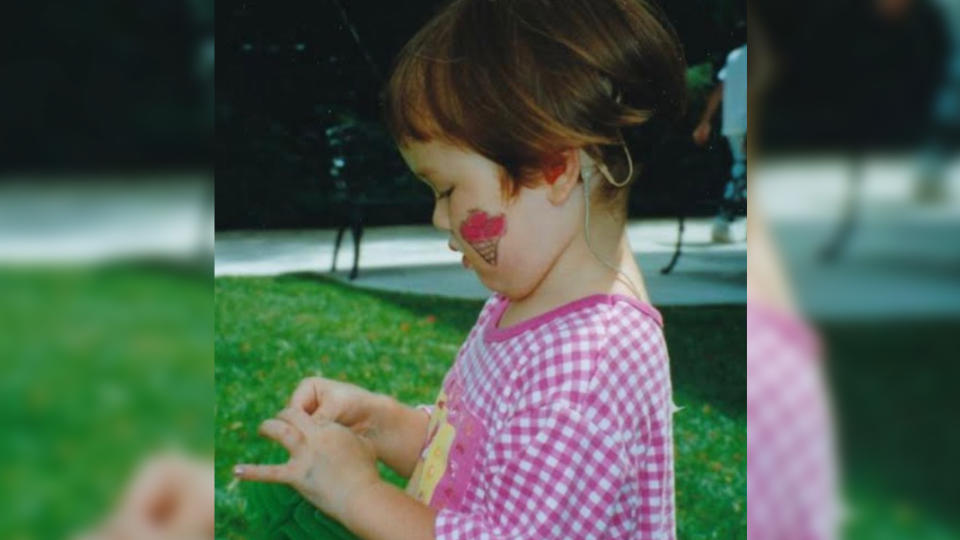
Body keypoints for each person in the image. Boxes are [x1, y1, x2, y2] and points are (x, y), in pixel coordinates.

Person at [234, 0, 687, 538]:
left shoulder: (589, 368)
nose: (438, 217)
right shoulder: (523, 307)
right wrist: (380, 423)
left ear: (553, 168)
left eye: (448, 190)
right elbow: (477, 464)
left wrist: (358, 494)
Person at [693, 44, 747, 243]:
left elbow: (720, 88)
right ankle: (724, 220)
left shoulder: (735, 55)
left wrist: (704, 122)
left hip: (734, 124)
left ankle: (726, 221)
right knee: (743, 172)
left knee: (741, 168)